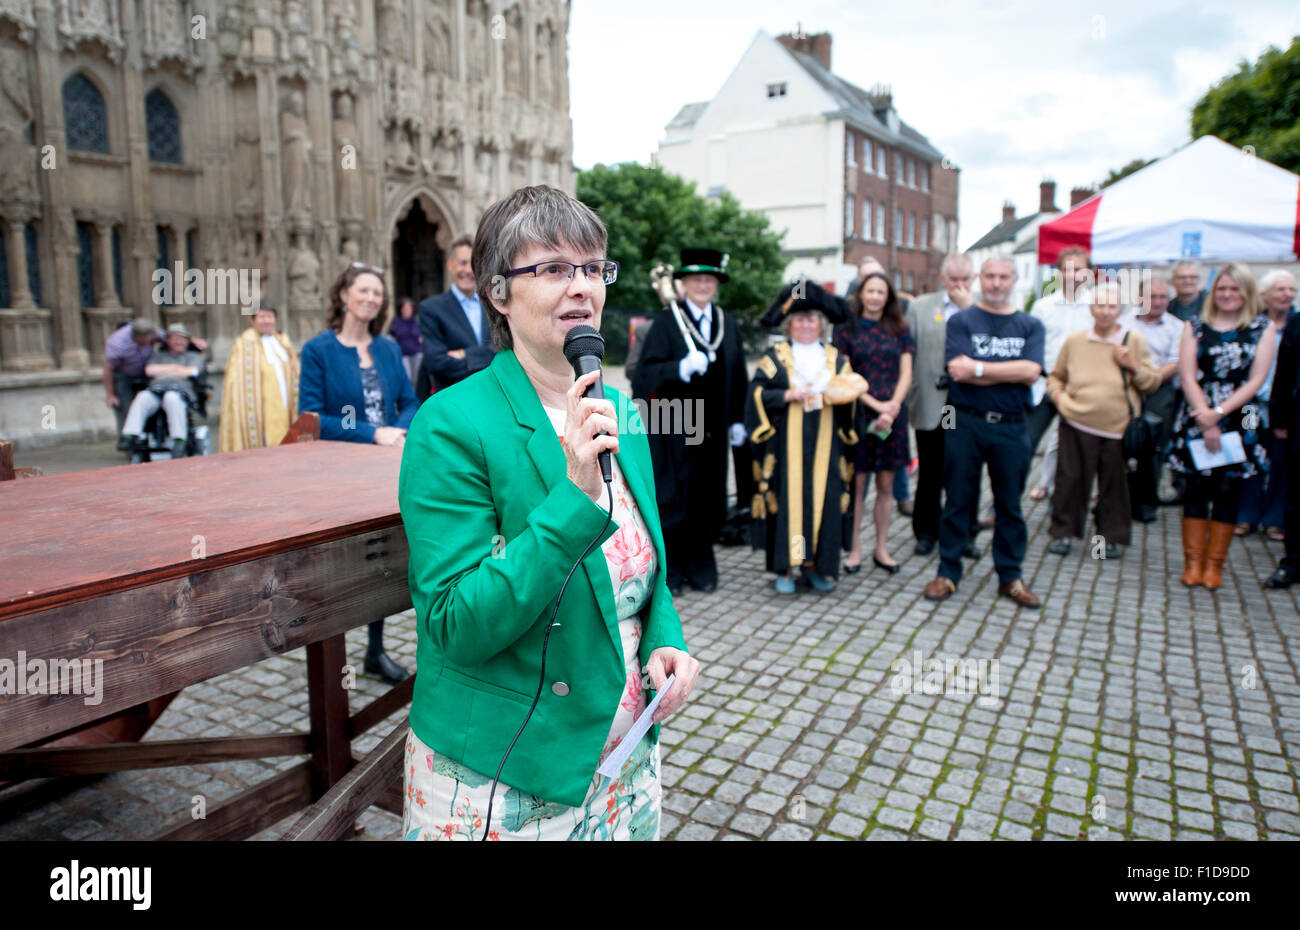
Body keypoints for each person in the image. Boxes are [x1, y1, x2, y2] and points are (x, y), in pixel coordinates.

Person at [398, 185, 699, 840]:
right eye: (554, 269)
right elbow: (456, 622)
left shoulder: (617, 409)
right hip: (508, 770)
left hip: (623, 764)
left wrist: (665, 638)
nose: (582, 287)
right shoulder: (452, 424)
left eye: (593, 268)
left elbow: (646, 572)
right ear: (499, 292)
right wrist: (574, 493)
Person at [299, 261, 418, 683]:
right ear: (344, 294)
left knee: (381, 553)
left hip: (386, 466)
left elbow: (408, 399)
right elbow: (312, 417)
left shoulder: (387, 347)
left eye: (377, 293)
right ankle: (331, 659)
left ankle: (375, 649)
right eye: (363, 290)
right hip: (340, 470)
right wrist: (373, 432)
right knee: (342, 560)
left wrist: (399, 429)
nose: (371, 298)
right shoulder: (319, 350)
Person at [923, 256, 1045, 608]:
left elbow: (1032, 372)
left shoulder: (1030, 325)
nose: (995, 283)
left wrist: (978, 367)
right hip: (964, 421)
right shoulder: (962, 320)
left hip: (1011, 424)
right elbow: (956, 371)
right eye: (990, 276)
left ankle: (1010, 577)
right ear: (981, 279)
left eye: (1003, 277)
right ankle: (948, 572)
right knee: (957, 500)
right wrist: (1006, 369)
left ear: (1014, 280)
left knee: (1010, 505)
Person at [631, 247, 748, 596]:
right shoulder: (666, 324)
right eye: (696, 279)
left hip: (711, 431)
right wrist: (677, 369)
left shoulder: (727, 323)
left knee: (707, 497)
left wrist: (737, 420)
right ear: (682, 283)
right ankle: (673, 568)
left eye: (709, 279)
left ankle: (701, 564)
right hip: (673, 427)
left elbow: (739, 375)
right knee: (674, 498)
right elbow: (642, 378)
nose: (702, 285)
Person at [746, 280, 861, 593]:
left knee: (825, 501)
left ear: (821, 323)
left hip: (827, 445)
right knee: (786, 501)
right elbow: (756, 394)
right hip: (786, 446)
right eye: (799, 319)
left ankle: (815, 566)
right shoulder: (775, 357)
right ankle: (785, 568)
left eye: (812, 318)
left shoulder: (836, 358)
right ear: (789, 323)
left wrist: (843, 393)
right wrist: (787, 395)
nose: (806, 324)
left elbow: (853, 398)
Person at [1168, 263, 1276, 591]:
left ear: (1246, 292)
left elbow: (1257, 378)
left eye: (1235, 289)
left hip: (1242, 415)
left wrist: (1220, 412)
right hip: (1198, 410)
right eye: (1222, 289)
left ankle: (1214, 565)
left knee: (1230, 490)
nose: (1228, 295)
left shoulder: (1262, 327)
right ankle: (1193, 562)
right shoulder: (1195, 325)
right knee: (1197, 488)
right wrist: (1205, 414)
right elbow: (1187, 374)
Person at [1045, 283, 1159, 558]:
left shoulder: (1134, 341)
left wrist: (1132, 366)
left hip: (1117, 426)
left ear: (1120, 311)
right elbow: (1056, 376)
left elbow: (1151, 382)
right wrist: (1059, 397)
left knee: (1113, 485)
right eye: (1100, 306)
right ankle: (1063, 534)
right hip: (1076, 420)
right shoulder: (1075, 341)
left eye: (1112, 307)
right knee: (1070, 480)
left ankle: (1108, 539)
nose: (1106, 312)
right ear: (1092, 309)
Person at [834, 271, 914, 573]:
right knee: (857, 485)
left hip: (892, 416)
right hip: (859, 412)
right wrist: (876, 404)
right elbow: (844, 372)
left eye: (881, 292)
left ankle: (881, 548)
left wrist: (892, 408)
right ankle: (854, 548)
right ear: (861, 295)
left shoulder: (900, 328)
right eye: (870, 291)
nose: (875, 297)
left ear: (888, 297)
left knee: (886, 484)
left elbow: (907, 371)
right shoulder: (846, 329)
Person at [904, 253, 982, 557]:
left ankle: (965, 534)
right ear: (943, 279)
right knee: (931, 470)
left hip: (967, 402)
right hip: (932, 400)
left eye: (965, 279)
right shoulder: (920, 307)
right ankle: (926, 531)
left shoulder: (982, 309)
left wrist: (971, 311)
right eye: (954, 280)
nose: (959, 285)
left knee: (965, 471)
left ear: (973, 279)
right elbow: (909, 353)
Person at [1026, 247, 1095, 502]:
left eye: (1078, 269)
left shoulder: (1097, 308)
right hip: (1044, 389)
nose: (1073, 275)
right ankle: (1001, 507)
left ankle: (1061, 508)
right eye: (1067, 269)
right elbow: (1032, 348)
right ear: (1058, 273)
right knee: (1026, 445)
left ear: (1088, 273)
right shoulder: (1043, 307)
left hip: (1080, 391)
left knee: (1073, 451)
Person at [1235, 270, 1297, 539]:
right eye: (1280, 289)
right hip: (1252, 405)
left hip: (1285, 408)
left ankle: (1275, 518)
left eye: (1291, 290)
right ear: (1264, 295)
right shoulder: (1251, 325)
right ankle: (1245, 515)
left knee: (1282, 462)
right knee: (1249, 454)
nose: (1287, 295)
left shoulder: (1296, 324)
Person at [1127, 273, 1184, 522]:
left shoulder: (1177, 327)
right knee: (1121, 444)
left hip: (1160, 389)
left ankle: (1147, 503)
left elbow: (1175, 362)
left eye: (1163, 297)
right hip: (1125, 388)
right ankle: (1122, 500)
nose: (1158, 301)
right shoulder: (1124, 321)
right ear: (1141, 297)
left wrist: (1148, 380)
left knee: (1152, 449)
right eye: (1153, 296)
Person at [104, 317, 207, 448]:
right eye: (174, 339)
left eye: (183, 339)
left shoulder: (192, 356)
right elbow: (149, 370)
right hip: (135, 379)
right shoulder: (118, 345)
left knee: (171, 398)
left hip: (178, 391)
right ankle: (130, 436)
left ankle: (179, 440)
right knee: (142, 398)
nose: (178, 342)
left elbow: (192, 371)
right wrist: (110, 395)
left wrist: (163, 370)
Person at [416, 235, 494, 400]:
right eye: (463, 263)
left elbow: (505, 350)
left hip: (493, 397)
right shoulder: (431, 309)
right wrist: (486, 356)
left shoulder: (494, 305)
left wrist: (464, 354)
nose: (468, 270)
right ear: (450, 264)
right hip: (455, 400)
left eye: (473, 264)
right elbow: (436, 362)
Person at [219, 300, 299, 452]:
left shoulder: (283, 342)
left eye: (270, 317)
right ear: (253, 320)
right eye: (262, 317)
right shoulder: (243, 344)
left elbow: (295, 371)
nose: (266, 321)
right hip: (260, 407)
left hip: (285, 405)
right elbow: (235, 382)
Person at [1264, 302, 1300, 588]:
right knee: (1296, 498)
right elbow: (1284, 373)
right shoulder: (1297, 323)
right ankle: (1293, 562)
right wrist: (1279, 418)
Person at [389, 295, 422, 390]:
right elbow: (390, 334)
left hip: (417, 353)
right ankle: (409, 397)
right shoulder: (396, 321)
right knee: (407, 378)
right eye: (404, 308)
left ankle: (417, 397)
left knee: (417, 379)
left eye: (408, 308)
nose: (406, 310)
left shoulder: (418, 320)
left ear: (412, 309)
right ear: (400, 309)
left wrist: (423, 338)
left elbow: (427, 332)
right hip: (403, 354)